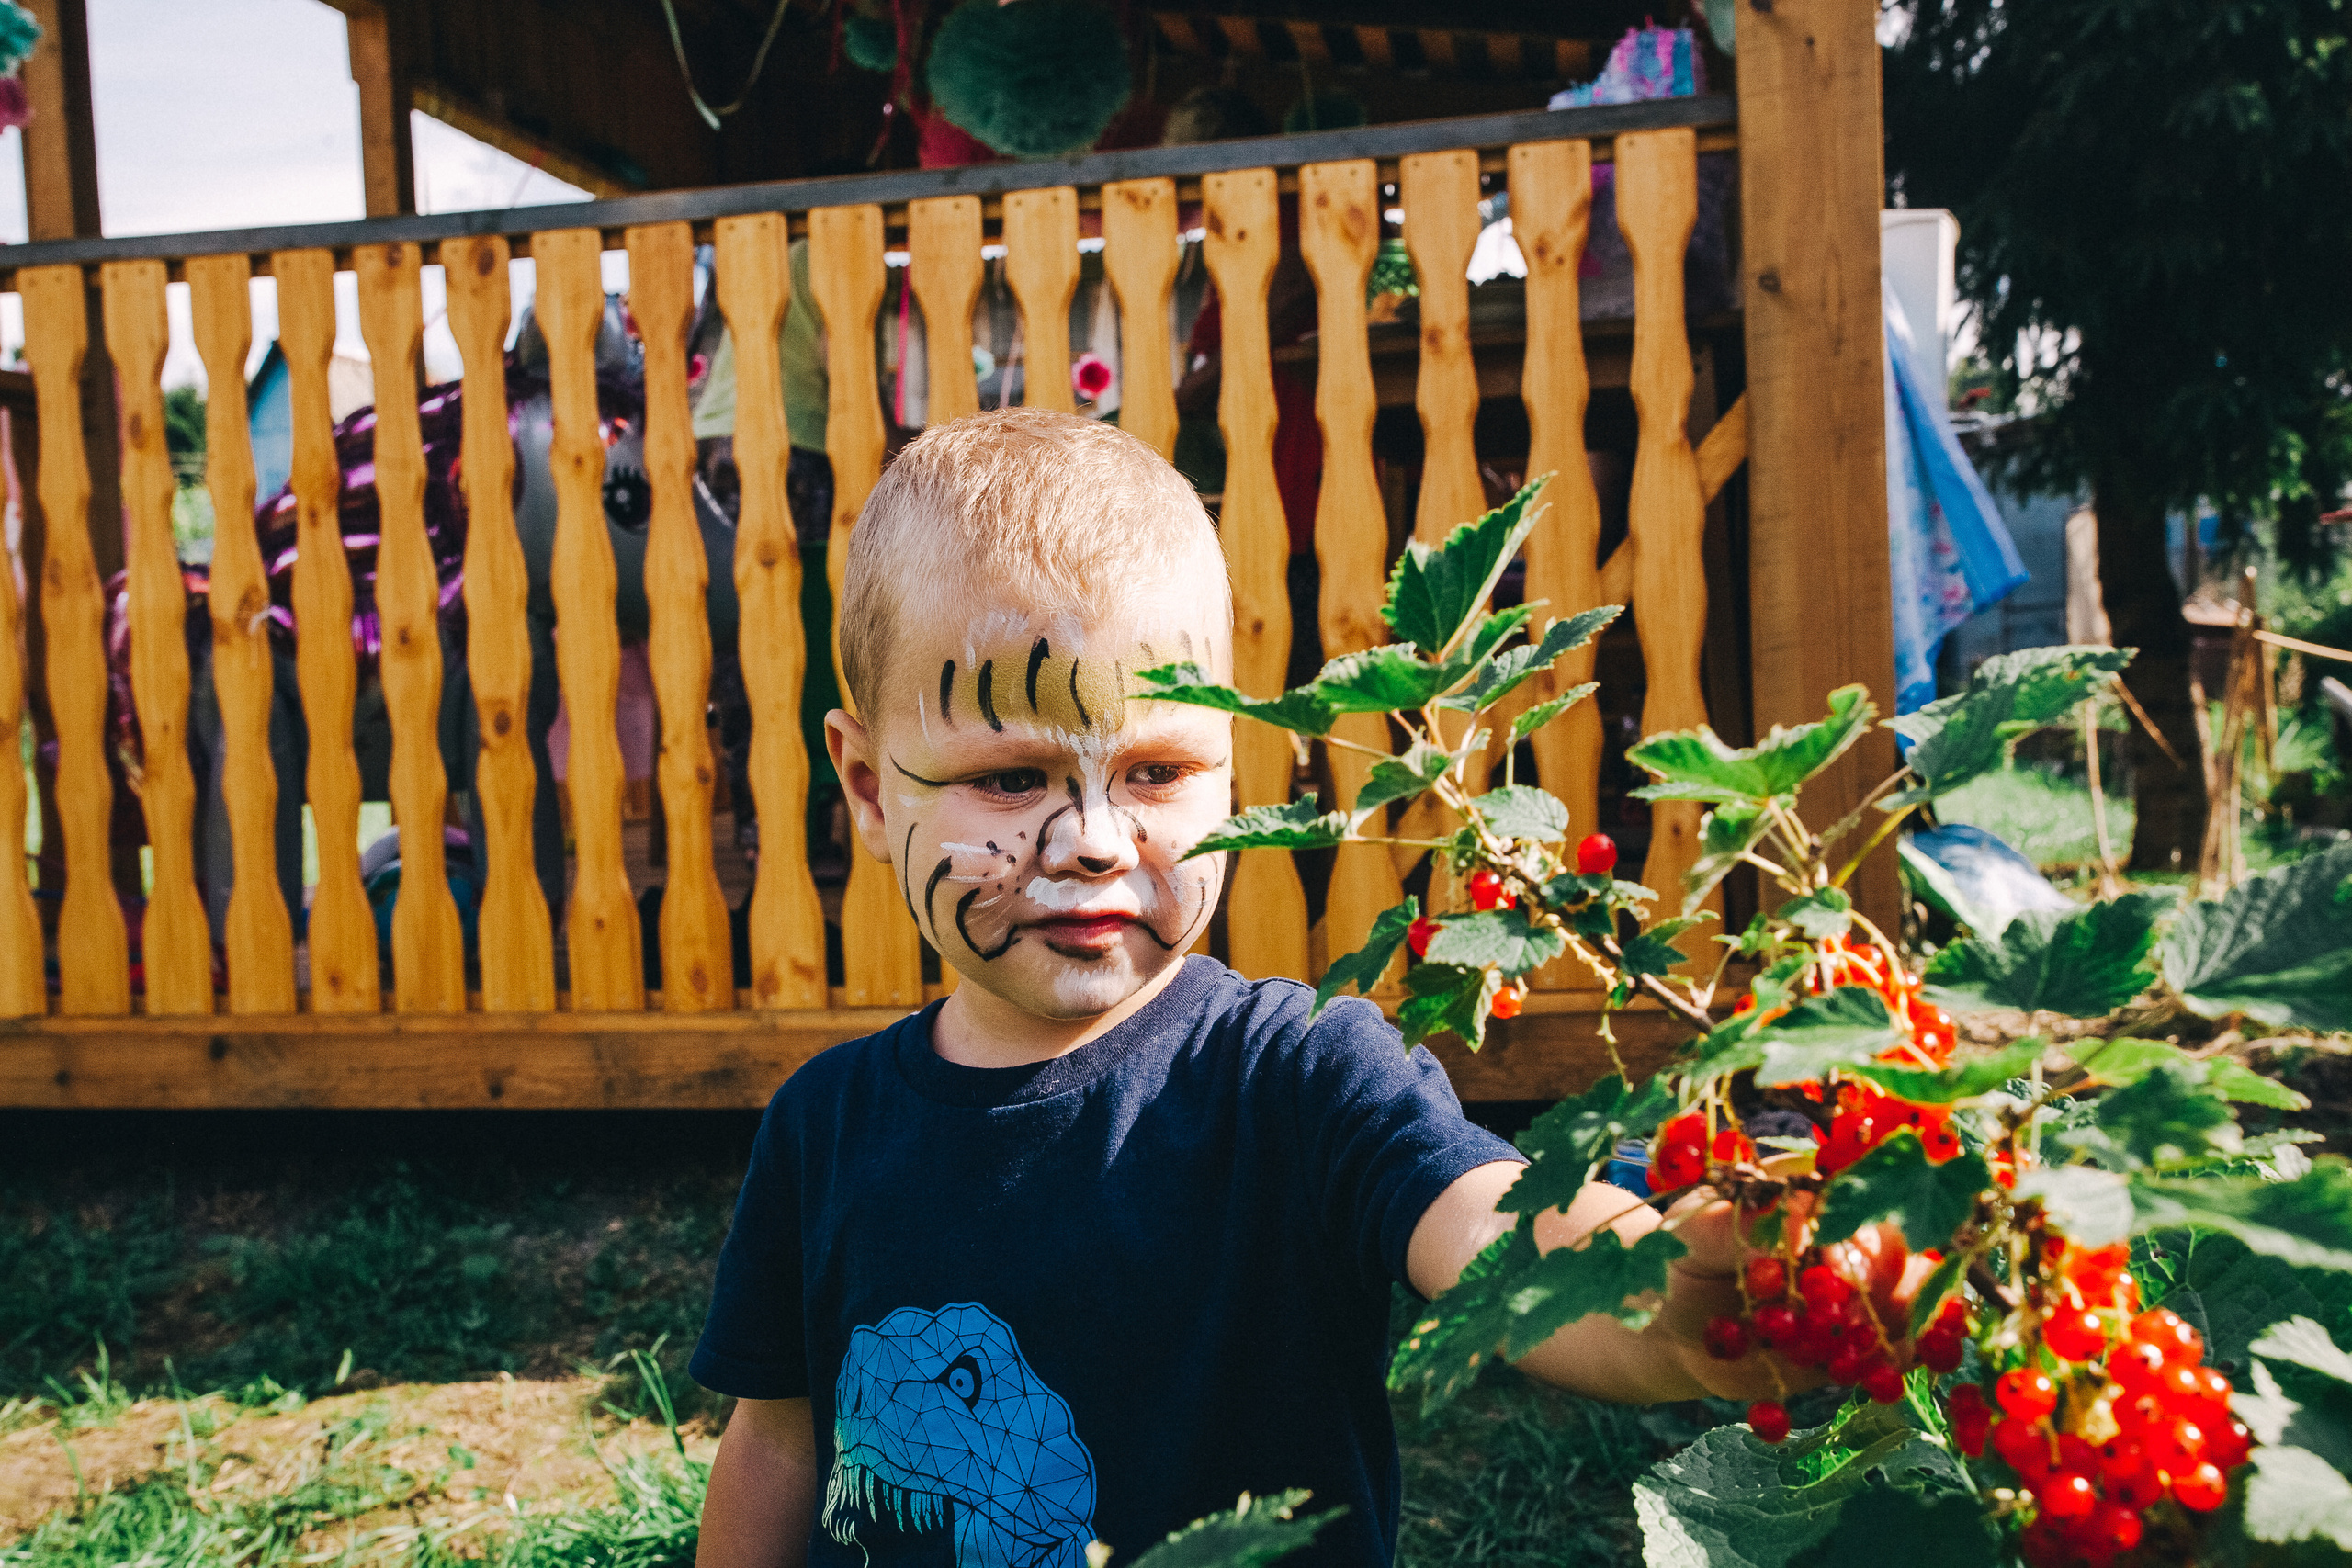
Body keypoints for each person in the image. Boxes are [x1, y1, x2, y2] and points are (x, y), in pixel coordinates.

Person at [688, 409, 1915, 1568]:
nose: (1097, 840)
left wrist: (1665, 1293)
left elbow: (1488, 1221)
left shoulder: (1301, 1073)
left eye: (1160, 769)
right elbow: (778, 1441)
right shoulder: (824, 1128)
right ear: (864, 785)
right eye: (1009, 778)